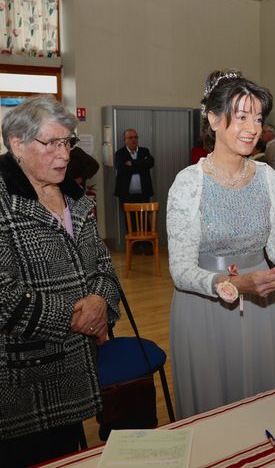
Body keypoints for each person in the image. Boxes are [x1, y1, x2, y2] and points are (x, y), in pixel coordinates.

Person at [166, 70, 275, 418]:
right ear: (214, 119)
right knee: (215, 411)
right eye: (242, 116)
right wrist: (231, 283)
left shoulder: (267, 177)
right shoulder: (189, 183)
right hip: (207, 308)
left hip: (260, 305)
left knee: (262, 409)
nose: (252, 128)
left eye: (258, 118)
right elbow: (180, 270)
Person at [0, 96, 120, 467]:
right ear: (17, 144)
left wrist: (100, 303)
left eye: (67, 141)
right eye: (51, 143)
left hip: (77, 363)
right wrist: (72, 317)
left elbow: (103, 265)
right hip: (25, 376)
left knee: (69, 452)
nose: (65, 154)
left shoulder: (74, 196)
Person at [114, 128, 154, 254]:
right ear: (124, 140)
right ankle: (135, 248)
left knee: (145, 221)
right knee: (130, 221)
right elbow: (122, 169)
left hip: (143, 193)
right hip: (126, 195)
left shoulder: (144, 151)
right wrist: (141, 165)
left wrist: (132, 164)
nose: (133, 140)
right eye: (130, 138)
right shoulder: (119, 154)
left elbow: (150, 163)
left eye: (135, 137)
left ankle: (147, 247)